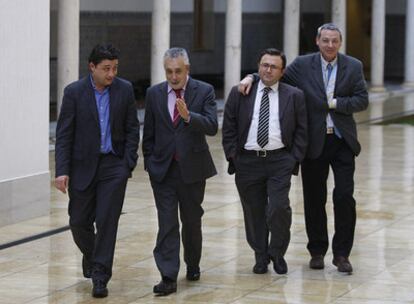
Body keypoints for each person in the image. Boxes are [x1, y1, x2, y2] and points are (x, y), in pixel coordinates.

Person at [239, 23, 369, 273]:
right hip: (314, 142)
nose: (330, 45)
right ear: (317, 41)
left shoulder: (353, 66)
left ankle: (342, 254)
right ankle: (317, 251)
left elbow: (362, 99)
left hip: (342, 141)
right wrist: (251, 77)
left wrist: (333, 103)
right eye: (326, 40)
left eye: (335, 41)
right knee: (314, 198)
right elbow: (274, 73)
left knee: (344, 197)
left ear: (340, 43)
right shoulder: (302, 64)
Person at [55, 44, 140, 298]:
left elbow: (132, 129)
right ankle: (92, 256)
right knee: (79, 222)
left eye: (114, 68)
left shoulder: (124, 90)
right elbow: (64, 135)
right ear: (92, 67)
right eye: (106, 69)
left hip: (114, 166)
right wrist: (62, 170)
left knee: (106, 221)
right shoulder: (74, 93)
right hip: (82, 167)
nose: (111, 74)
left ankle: (100, 275)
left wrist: (128, 163)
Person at [223, 48, 307, 275]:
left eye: (273, 66)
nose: (268, 70)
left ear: (282, 71)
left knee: (279, 208)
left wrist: (293, 158)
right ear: (259, 67)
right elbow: (228, 126)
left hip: (279, 160)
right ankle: (260, 255)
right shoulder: (240, 92)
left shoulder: (294, 95)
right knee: (254, 212)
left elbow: (302, 130)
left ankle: (277, 253)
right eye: (264, 65)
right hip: (248, 161)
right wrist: (234, 156)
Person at [142, 47, 217, 296]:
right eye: (169, 71)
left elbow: (212, 127)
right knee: (167, 223)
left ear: (188, 70)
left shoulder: (204, 91)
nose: (173, 77)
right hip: (163, 171)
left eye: (178, 71)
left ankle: (193, 262)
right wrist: (150, 165)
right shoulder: (154, 94)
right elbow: (149, 133)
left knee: (191, 221)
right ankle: (168, 275)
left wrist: (189, 117)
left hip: (193, 170)